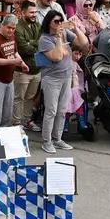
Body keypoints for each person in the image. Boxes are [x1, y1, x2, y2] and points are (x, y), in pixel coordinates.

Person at [35, 9, 87, 152]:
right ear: (49, 23)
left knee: (62, 110)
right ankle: (47, 141)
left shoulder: (65, 33)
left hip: (66, 77)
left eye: (60, 21)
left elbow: (83, 43)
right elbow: (57, 57)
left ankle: (57, 139)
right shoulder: (45, 39)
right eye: (56, 22)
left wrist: (75, 28)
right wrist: (58, 38)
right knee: (51, 110)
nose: (59, 24)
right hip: (52, 79)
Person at [0, 14, 27, 132]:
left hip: (9, 79)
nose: (11, 31)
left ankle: (3, 132)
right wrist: (13, 61)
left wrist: (22, 63)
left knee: (7, 109)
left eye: (13, 29)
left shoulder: (12, 37)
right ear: (2, 25)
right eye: (9, 27)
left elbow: (15, 52)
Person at [13, 1, 44, 129]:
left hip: (36, 69)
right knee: (19, 97)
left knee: (30, 97)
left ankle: (27, 120)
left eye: (35, 12)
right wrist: (35, 44)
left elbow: (42, 42)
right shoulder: (18, 28)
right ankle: (17, 123)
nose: (34, 15)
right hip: (22, 70)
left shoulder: (37, 25)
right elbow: (23, 49)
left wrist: (32, 43)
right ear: (23, 12)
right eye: (31, 12)